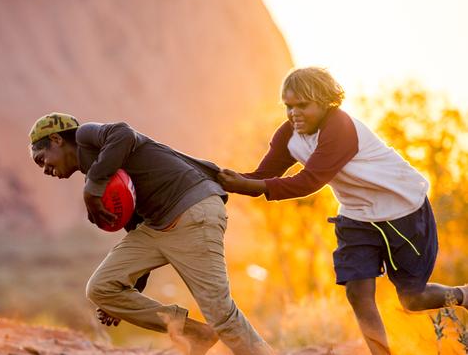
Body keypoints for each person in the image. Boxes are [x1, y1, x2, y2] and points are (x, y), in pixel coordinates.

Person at [217, 67, 468, 355]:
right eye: (288, 106)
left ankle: (463, 294)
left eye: (302, 105)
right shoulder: (289, 135)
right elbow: (262, 175)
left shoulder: (340, 127)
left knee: (413, 299)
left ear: (326, 103)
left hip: (403, 210)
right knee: (357, 293)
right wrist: (222, 178)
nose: (294, 113)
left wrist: (248, 186)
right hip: (357, 216)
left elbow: (308, 181)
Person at [29, 113, 273, 355]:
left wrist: (92, 187)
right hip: (157, 225)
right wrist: (128, 291)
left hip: (193, 211)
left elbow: (123, 132)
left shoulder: (85, 136)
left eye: (42, 159)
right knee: (102, 288)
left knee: (220, 312)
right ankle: (193, 332)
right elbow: (135, 225)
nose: (44, 169)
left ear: (57, 140)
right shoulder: (102, 169)